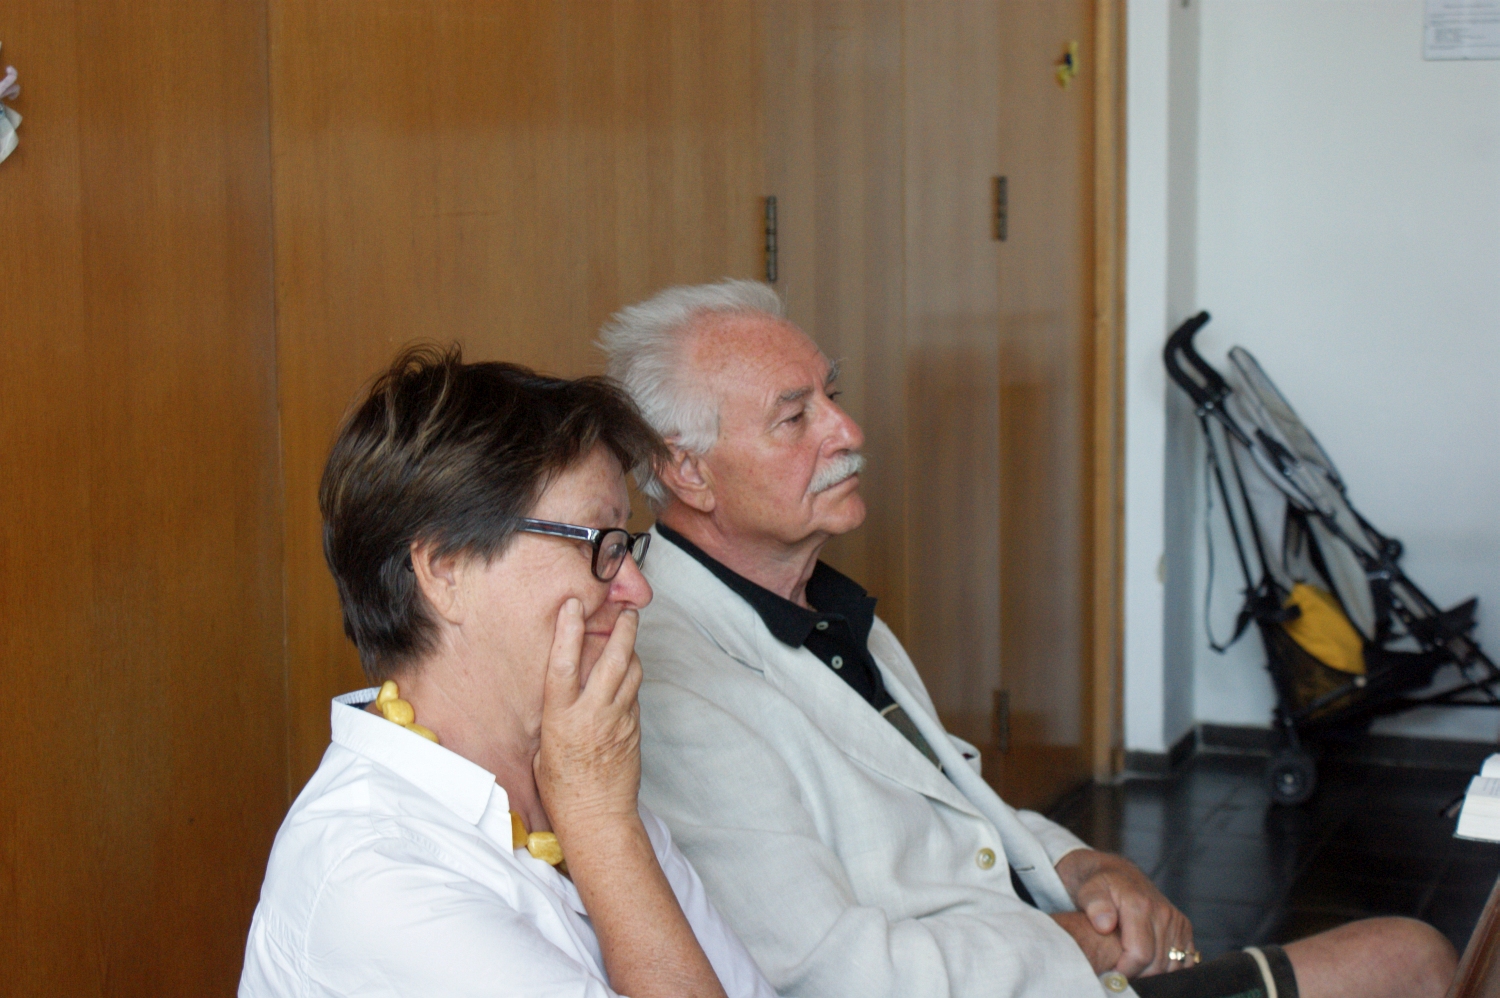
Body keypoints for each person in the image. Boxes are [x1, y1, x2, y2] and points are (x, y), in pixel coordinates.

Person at [599, 279, 1458, 998]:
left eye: (834, 394)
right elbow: (834, 974)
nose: (847, 432)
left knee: (1414, 954)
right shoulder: (673, 686)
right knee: (1412, 960)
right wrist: (1079, 943)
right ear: (687, 471)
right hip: (1022, 975)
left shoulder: (813, 599)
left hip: (1037, 957)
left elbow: (951, 799)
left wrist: (1085, 867)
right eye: (795, 418)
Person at [240, 345, 777, 998]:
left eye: (626, 545)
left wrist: (604, 822)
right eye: (598, 543)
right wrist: (605, 829)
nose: (637, 589)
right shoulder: (371, 872)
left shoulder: (578, 778)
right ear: (446, 569)